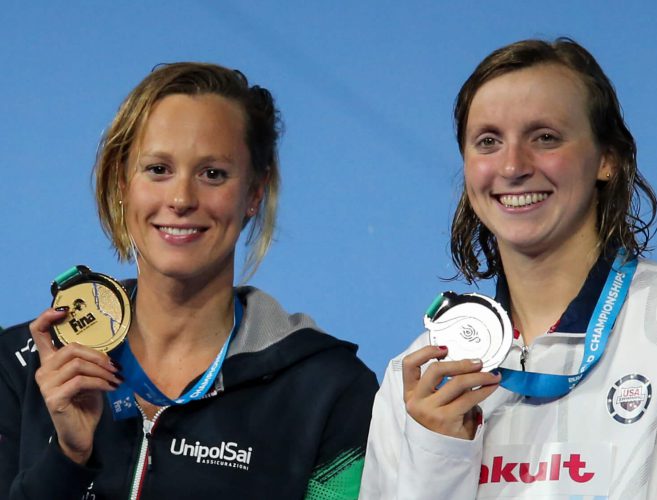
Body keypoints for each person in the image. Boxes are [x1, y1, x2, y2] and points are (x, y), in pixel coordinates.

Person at [0, 62, 378, 499]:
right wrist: (67, 459)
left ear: (255, 192)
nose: (180, 199)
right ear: (123, 182)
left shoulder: (327, 391)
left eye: (212, 173)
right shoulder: (18, 369)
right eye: (158, 169)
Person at [360, 38, 657, 499]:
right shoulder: (422, 376)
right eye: (488, 141)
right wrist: (435, 457)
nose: (513, 165)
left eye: (545, 138)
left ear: (607, 159)